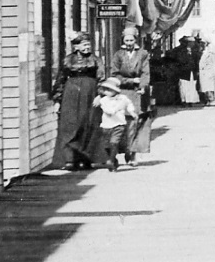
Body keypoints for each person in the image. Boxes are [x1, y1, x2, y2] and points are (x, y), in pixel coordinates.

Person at [51, 33, 100, 171]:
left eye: (88, 45)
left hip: (90, 94)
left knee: (87, 123)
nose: (87, 47)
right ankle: (69, 159)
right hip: (70, 94)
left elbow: (101, 77)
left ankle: (85, 158)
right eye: (84, 45)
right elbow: (60, 80)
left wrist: (100, 95)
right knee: (69, 125)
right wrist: (57, 100)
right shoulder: (68, 60)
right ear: (76, 46)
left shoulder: (95, 60)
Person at [109, 29, 152, 166]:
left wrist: (142, 86)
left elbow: (146, 72)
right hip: (122, 92)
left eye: (131, 40)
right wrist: (131, 81)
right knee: (122, 124)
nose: (129, 43)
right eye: (126, 41)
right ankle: (121, 152)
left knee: (136, 123)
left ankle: (132, 154)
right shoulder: (118, 55)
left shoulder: (143, 54)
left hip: (138, 93)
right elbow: (114, 74)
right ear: (123, 41)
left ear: (136, 40)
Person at [93, 77, 138, 171]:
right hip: (106, 125)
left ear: (115, 91)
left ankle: (111, 160)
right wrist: (116, 109)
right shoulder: (104, 100)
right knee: (106, 146)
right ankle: (114, 160)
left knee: (114, 142)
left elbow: (128, 104)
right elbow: (108, 111)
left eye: (110, 90)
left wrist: (132, 112)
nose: (107, 92)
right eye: (105, 90)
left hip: (119, 124)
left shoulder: (123, 98)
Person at [198, 35, 215, 104]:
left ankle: (209, 99)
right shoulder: (202, 52)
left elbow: (214, 63)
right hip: (203, 72)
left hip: (208, 71)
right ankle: (205, 99)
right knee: (204, 87)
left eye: (203, 43)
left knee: (208, 86)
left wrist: (214, 73)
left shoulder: (210, 52)